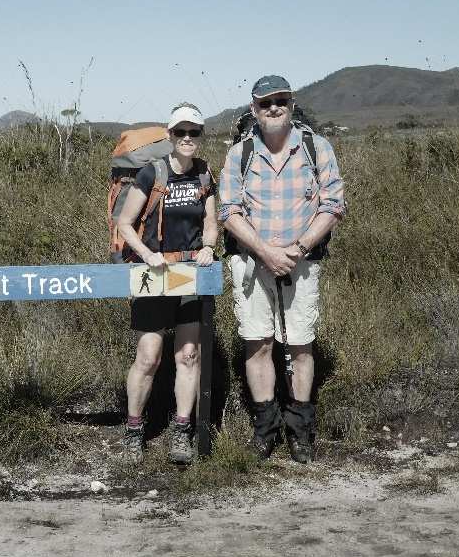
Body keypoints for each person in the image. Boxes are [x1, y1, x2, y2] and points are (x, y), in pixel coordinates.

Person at [218, 75, 346, 463]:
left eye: (282, 101)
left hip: (301, 263)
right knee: (258, 345)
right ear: (254, 109)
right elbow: (228, 211)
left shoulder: (316, 147)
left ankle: (300, 431)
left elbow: (333, 204)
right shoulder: (240, 153)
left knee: (301, 347)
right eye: (265, 102)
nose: (274, 108)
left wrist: (299, 247)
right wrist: (264, 251)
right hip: (250, 263)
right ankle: (265, 430)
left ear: (292, 104)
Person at [116, 103, 217, 464]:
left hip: (189, 273)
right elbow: (125, 224)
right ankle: (133, 431)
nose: (187, 138)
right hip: (154, 273)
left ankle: (181, 431)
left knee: (189, 356)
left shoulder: (205, 174)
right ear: (170, 136)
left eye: (194, 132)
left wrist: (208, 246)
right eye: (180, 132)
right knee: (148, 357)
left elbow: (210, 220)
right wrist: (146, 254)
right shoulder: (152, 173)